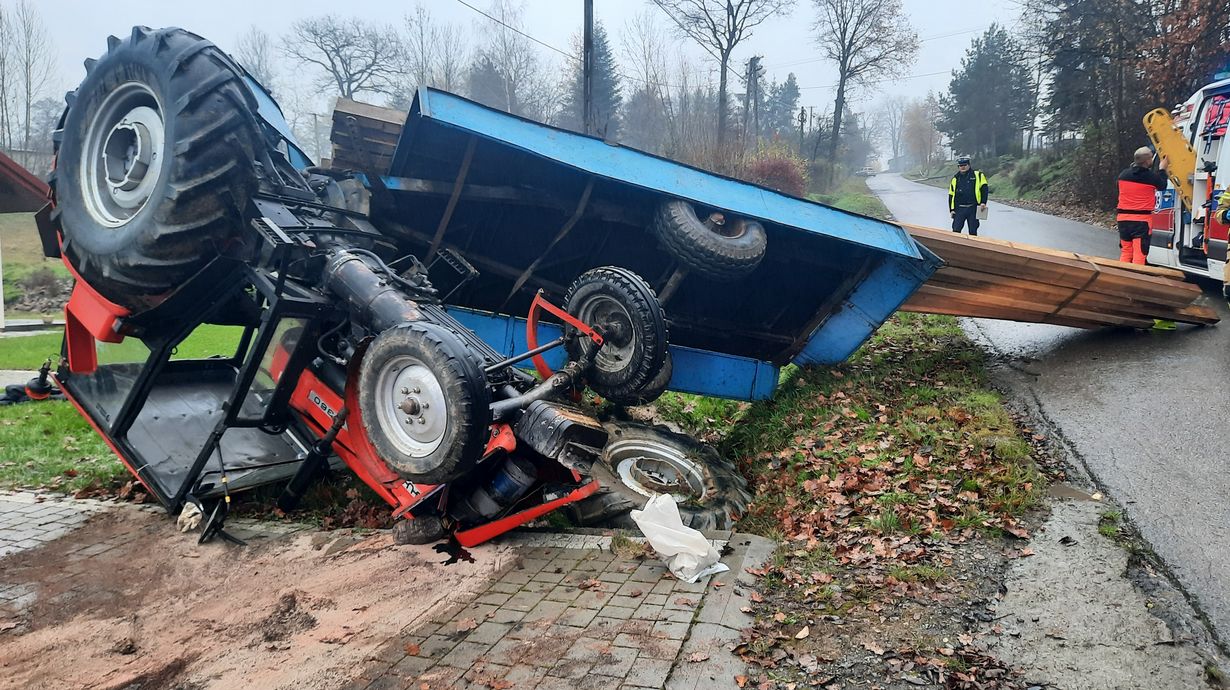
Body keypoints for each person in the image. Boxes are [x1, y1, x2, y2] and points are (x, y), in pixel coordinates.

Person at [1116, 146, 1168, 265]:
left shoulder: (1123, 175)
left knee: (1126, 251)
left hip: (1123, 219)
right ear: (1147, 161)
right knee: (1140, 254)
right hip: (1141, 221)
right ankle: (1135, 279)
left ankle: (1121, 276)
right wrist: (1162, 169)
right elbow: (1162, 186)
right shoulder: (1151, 177)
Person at [948, 156, 989, 236]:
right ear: (958, 167)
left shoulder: (978, 175)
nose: (962, 167)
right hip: (959, 209)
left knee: (973, 231)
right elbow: (951, 195)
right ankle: (956, 247)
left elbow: (984, 189)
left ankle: (973, 247)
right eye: (960, 165)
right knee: (956, 230)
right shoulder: (955, 179)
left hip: (973, 208)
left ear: (969, 165)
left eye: (965, 165)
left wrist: (983, 202)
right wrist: (951, 209)